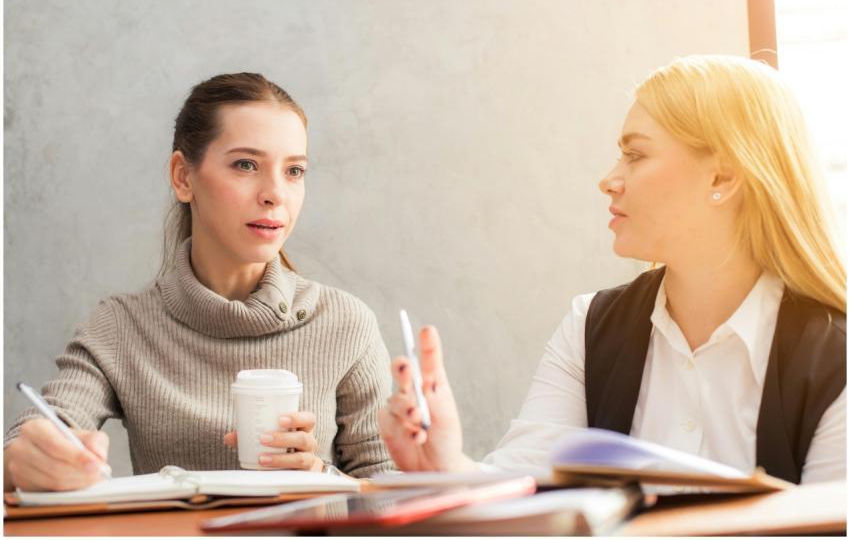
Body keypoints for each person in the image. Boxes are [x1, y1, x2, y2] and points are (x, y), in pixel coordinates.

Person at [378, 55, 846, 485]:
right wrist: (448, 466)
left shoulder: (833, 355)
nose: (609, 180)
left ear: (722, 178)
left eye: (635, 155)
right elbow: (524, 493)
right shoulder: (589, 327)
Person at [4, 73, 394, 492]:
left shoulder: (346, 324)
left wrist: (322, 479)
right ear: (183, 177)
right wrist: (22, 461)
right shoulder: (120, 327)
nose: (275, 194)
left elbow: (395, 491)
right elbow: (41, 432)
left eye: (294, 170)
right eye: (246, 165)